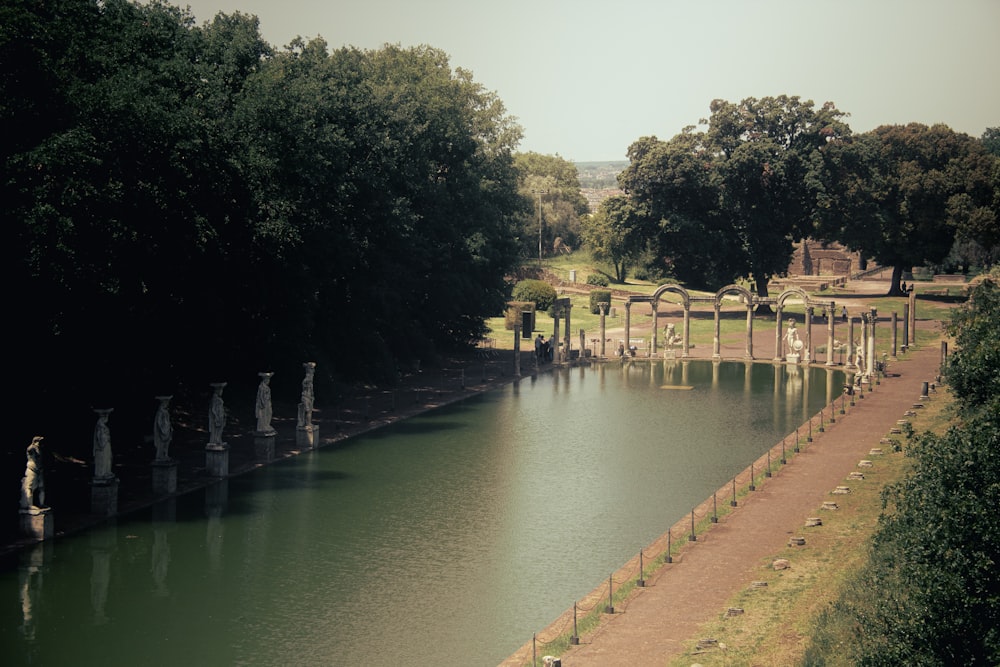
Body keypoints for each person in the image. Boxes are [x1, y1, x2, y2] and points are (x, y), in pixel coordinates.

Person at [20, 436, 46, 510]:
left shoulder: (40, 450)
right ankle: (29, 505)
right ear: (35, 442)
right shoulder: (31, 448)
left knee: (41, 488)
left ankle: (41, 504)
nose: (39, 443)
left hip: (39, 471)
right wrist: (33, 445)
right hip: (32, 470)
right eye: (38, 441)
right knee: (30, 487)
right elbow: (29, 449)